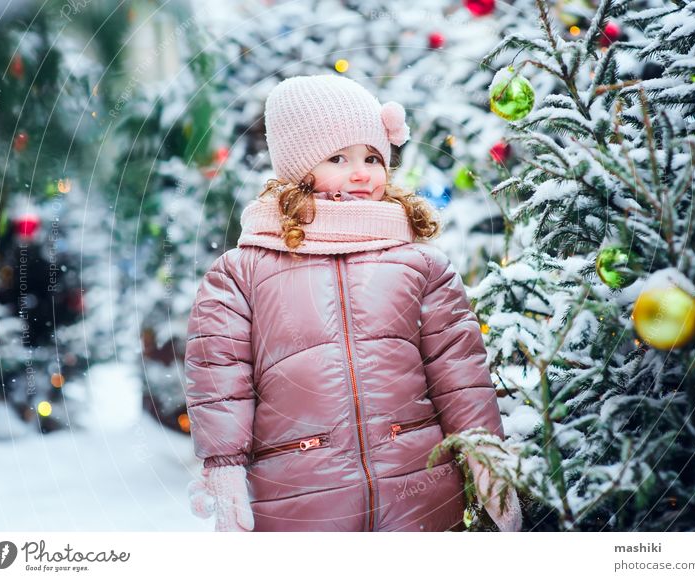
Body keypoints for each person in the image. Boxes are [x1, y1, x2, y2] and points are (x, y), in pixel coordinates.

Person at [184, 74, 521, 532]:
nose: (362, 172)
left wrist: (485, 457)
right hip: (300, 499)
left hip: (420, 493)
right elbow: (219, 375)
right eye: (339, 158)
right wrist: (223, 466)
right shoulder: (242, 271)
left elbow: (458, 371)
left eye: (373, 157)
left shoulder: (420, 263)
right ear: (298, 169)